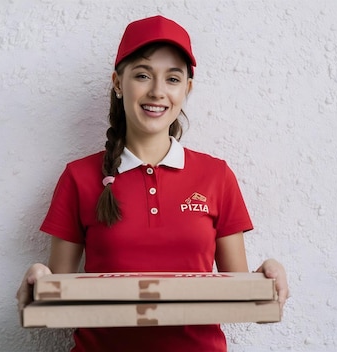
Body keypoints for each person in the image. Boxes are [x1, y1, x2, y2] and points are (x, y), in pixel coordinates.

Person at [16, 15, 289, 352]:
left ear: (186, 89)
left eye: (172, 78)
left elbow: (245, 300)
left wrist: (269, 277)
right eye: (143, 75)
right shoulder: (78, 177)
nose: (158, 91)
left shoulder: (216, 176)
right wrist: (39, 280)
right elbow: (54, 301)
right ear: (118, 83)